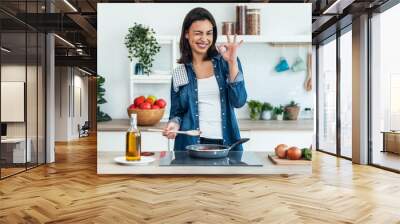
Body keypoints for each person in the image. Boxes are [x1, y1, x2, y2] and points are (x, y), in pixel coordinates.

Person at [162, 7, 247, 151]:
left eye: (209, 33)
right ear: (187, 34)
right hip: (190, 145)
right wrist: (174, 124)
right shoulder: (180, 72)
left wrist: (232, 62)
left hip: (226, 144)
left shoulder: (226, 62)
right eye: (198, 33)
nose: (204, 39)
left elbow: (239, 101)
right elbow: (177, 113)